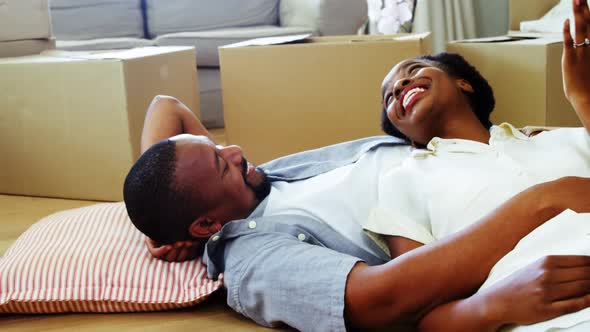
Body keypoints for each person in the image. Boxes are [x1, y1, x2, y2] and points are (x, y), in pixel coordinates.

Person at [122, 5, 590, 332]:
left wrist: (155, 216)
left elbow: (167, 106)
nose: (236, 151)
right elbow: (380, 300)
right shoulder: (253, 259)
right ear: (205, 223)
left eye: (217, 146)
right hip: (482, 222)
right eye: (220, 167)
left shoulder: (268, 175)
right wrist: (541, 200)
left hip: (479, 163)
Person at [368, 0, 590, 330]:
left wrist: (583, 99)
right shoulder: (403, 181)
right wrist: (494, 305)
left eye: (413, 70)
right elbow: (414, 311)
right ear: (405, 133)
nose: (399, 86)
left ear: (463, 83)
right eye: (389, 97)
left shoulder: (566, 139)